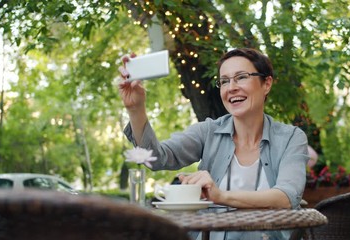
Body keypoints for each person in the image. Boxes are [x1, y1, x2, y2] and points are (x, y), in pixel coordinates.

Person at [118, 48, 309, 240]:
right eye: (224, 81)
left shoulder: (291, 138)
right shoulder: (207, 132)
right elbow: (157, 159)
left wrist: (220, 196)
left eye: (241, 77)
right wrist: (136, 109)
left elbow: (285, 197)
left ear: (266, 83)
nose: (231, 87)